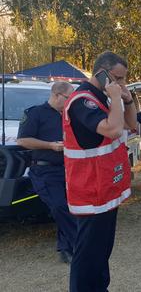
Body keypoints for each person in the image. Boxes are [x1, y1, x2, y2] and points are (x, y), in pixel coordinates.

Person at [63, 51, 137, 292]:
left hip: (105, 188)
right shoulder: (82, 100)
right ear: (101, 74)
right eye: (118, 78)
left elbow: (131, 124)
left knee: (102, 249)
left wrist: (126, 100)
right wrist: (116, 97)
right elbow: (113, 129)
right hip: (89, 190)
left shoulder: (104, 97)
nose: (121, 84)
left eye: (124, 79)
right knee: (87, 254)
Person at [17, 81, 76, 264]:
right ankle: (79, 244)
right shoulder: (35, 113)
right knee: (59, 206)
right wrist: (50, 145)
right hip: (44, 170)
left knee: (69, 208)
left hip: (67, 169)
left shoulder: (68, 115)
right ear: (57, 95)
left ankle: (66, 249)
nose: (70, 102)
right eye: (68, 98)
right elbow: (23, 141)